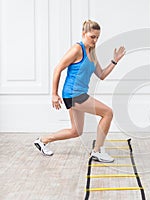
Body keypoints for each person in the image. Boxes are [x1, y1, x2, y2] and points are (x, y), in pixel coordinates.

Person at [34, 20, 125, 163]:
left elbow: (101, 75)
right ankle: (97, 152)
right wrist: (54, 93)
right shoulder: (77, 49)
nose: (95, 40)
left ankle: (42, 141)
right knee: (108, 112)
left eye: (97, 37)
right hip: (73, 94)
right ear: (84, 33)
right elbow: (58, 68)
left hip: (78, 94)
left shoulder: (92, 53)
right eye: (92, 37)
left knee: (76, 131)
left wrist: (114, 61)